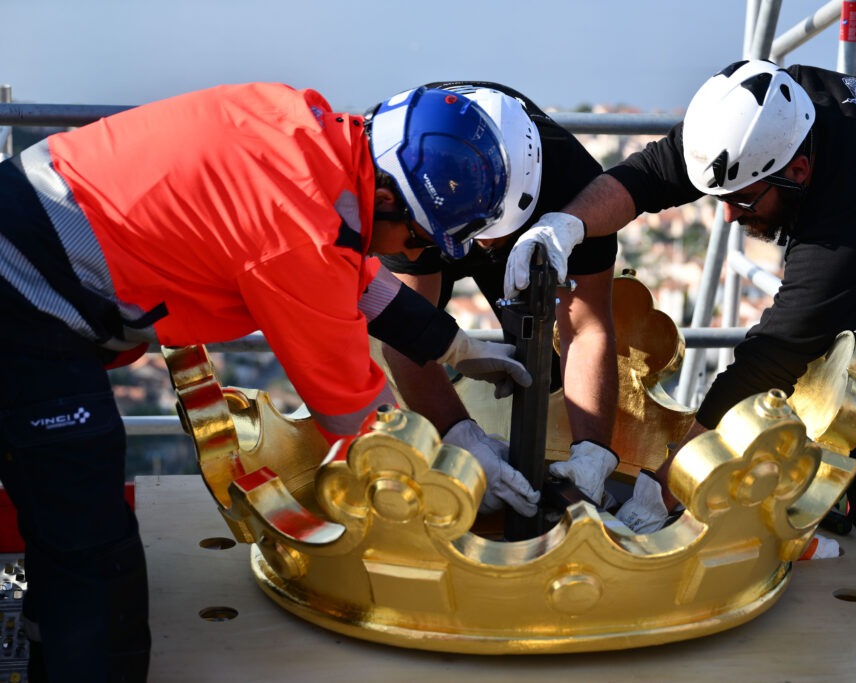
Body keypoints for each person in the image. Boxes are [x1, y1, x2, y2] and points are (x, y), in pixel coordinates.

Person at [0, 83, 533, 680]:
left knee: (58, 519)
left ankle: (46, 656)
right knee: (91, 545)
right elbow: (355, 415)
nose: (415, 254)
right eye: (419, 237)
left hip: (27, 238)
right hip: (24, 291)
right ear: (386, 197)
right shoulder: (297, 235)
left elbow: (347, 268)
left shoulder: (311, 139)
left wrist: (455, 347)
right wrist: (454, 471)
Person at [504, 60, 856, 587]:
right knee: (833, 415)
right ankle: (827, 533)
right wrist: (567, 225)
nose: (729, 216)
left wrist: (669, 483)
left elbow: (773, 354)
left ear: (798, 171)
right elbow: (648, 175)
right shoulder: (754, 118)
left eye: (742, 199)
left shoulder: (854, 210)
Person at [375, 82, 621, 514]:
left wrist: (593, 455)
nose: (484, 246)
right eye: (476, 232)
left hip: (533, 221)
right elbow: (401, 334)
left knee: (548, 370)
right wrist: (461, 438)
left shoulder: (576, 186)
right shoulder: (409, 178)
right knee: (402, 324)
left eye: (494, 231)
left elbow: (586, 328)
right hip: (432, 214)